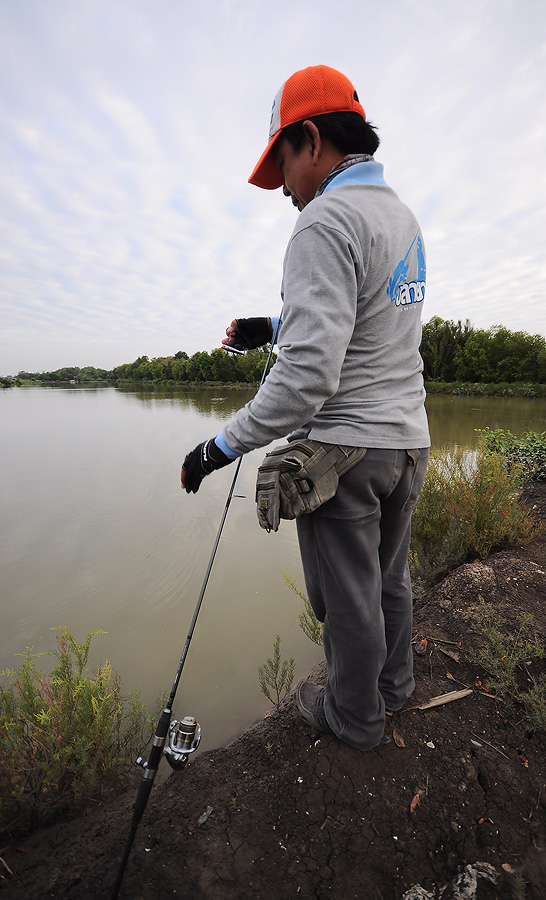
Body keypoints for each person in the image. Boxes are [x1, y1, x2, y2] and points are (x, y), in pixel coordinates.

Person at [181, 64, 430, 751]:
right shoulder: (400, 217)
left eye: (283, 164)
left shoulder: (323, 220)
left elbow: (309, 377)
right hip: (408, 443)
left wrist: (217, 448)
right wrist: (274, 326)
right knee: (388, 580)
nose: (284, 189)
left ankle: (354, 716)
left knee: (344, 599)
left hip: (347, 452)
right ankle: (394, 685)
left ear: (312, 141)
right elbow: (364, 321)